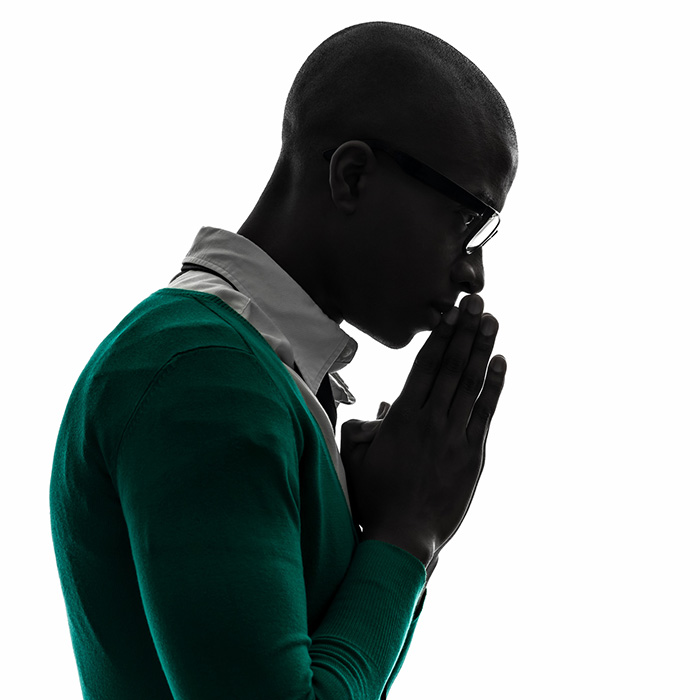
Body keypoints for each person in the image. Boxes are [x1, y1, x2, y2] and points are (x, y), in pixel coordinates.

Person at [50, 20, 518, 700]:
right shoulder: (204, 373)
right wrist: (406, 535)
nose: (474, 274)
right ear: (352, 176)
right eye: (469, 222)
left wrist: (371, 531)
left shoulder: (239, 368)